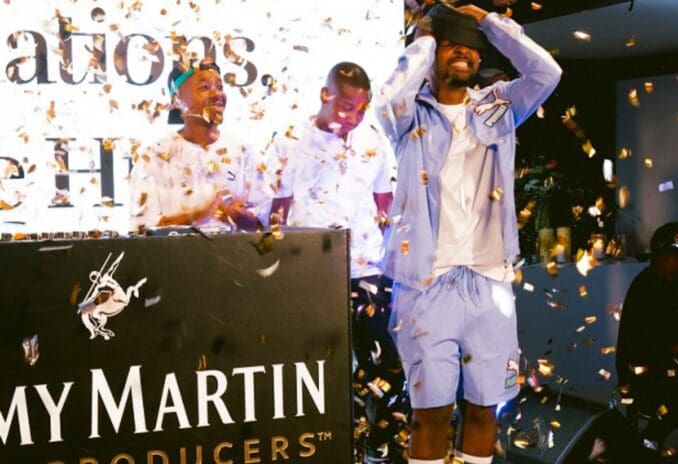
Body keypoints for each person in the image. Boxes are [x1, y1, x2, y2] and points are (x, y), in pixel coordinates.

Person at [375, 3, 561, 463]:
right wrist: (425, 37)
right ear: (434, 53)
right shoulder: (408, 116)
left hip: (490, 285)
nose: (464, 54)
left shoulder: (498, 106)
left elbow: (547, 72)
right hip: (425, 285)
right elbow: (388, 97)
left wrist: (489, 23)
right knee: (430, 416)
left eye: (471, 48)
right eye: (451, 46)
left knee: (484, 410)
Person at [269, 62, 409, 463]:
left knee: (386, 370)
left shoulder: (372, 142)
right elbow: (275, 213)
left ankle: (377, 452)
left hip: (366, 272)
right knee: (318, 371)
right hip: (311, 272)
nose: (353, 117)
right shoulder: (289, 141)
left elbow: (385, 205)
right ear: (325, 95)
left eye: (362, 109)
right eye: (347, 107)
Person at [129, 58, 270, 232]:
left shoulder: (245, 151)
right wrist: (196, 216)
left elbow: (266, 223)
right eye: (205, 87)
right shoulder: (153, 157)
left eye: (220, 87)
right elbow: (141, 228)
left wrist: (242, 217)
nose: (217, 94)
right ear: (177, 99)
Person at [616, 222, 678, 459]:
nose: (657, 263)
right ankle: (650, 442)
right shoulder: (651, 286)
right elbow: (676, 346)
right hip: (648, 373)